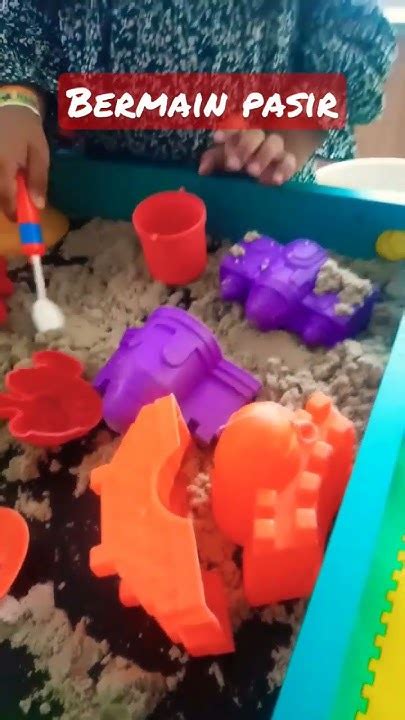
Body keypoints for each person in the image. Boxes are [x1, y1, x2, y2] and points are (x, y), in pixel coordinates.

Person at [0, 0, 396, 220]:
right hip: (89, 187)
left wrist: (291, 130)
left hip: (259, 191)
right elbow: (23, 14)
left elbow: (355, 30)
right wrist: (16, 97)